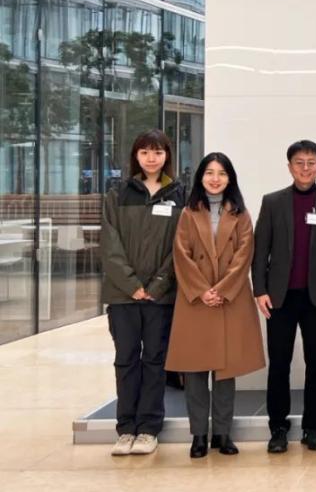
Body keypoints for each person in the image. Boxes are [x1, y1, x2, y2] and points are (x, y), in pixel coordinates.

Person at [165, 153, 265, 458]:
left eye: (221, 173)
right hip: (196, 300)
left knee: (225, 371)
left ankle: (222, 433)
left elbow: (244, 256)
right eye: (209, 172)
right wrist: (201, 291)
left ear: (230, 178)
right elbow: (181, 254)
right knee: (195, 372)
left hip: (229, 299)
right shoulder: (188, 213)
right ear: (201, 177)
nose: (215, 179)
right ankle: (198, 435)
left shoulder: (241, 215)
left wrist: (222, 290)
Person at [251, 139, 316, 453]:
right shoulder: (273, 202)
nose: (305, 168)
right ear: (289, 166)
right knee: (279, 364)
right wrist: (260, 289)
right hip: (279, 297)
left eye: (311, 163)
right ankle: (278, 428)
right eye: (299, 163)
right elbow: (260, 250)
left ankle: (312, 427)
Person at [100, 129, 185, 456]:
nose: (152, 158)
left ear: (167, 156)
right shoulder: (118, 194)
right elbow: (109, 244)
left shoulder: (178, 194)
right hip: (122, 295)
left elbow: (180, 246)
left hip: (161, 297)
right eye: (145, 152)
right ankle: (125, 429)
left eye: (158, 152)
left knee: (154, 361)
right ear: (136, 156)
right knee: (126, 360)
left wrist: (157, 285)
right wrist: (132, 285)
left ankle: (149, 428)